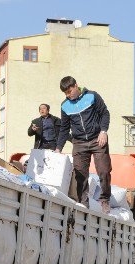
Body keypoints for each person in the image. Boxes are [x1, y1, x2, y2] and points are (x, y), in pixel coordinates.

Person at [55, 76, 112, 214]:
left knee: (103, 171)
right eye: (65, 93)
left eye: (69, 91)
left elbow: (105, 113)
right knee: (80, 174)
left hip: (97, 139)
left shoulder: (92, 96)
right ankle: (83, 203)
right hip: (79, 142)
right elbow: (64, 128)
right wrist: (58, 148)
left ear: (76, 86)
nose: (68, 95)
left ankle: (104, 200)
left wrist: (103, 131)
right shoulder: (65, 105)